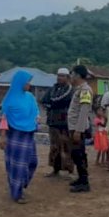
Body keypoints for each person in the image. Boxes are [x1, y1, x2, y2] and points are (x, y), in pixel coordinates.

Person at [0, 70, 39, 203]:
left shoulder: (30, 97)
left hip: (28, 135)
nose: (29, 84)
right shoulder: (9, 99)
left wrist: (36, 118)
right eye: (27, 81)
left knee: (32, 162)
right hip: (14, 136)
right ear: (20, 82)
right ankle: (17, 193)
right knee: (17, 166)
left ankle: (22, 183)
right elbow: (3, 119)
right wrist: (3, 137)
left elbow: (35, 112)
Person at [41, 68, 74, 178]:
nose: (59, 78)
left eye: (62, 76)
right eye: (58, 75)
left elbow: (63, 102)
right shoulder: (52, 89)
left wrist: (53, 105)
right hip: (53, 122)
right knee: (54, 147)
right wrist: (51, 105)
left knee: (66, 146)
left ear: (68, 77)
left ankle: (69, 171)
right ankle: (55, 169)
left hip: (65, 123)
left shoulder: (71, 90)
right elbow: (44, 101)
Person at [67, 65, 94, 193]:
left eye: (72, 74)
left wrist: (78, 130)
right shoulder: (79, 89)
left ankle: (84, 181)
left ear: (77, 75)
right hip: (74, 127)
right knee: (76, 153)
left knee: (79, 153)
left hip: (78, 128)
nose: (70, 77)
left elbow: (84, 111)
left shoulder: (85, 90)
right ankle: (81, 178)